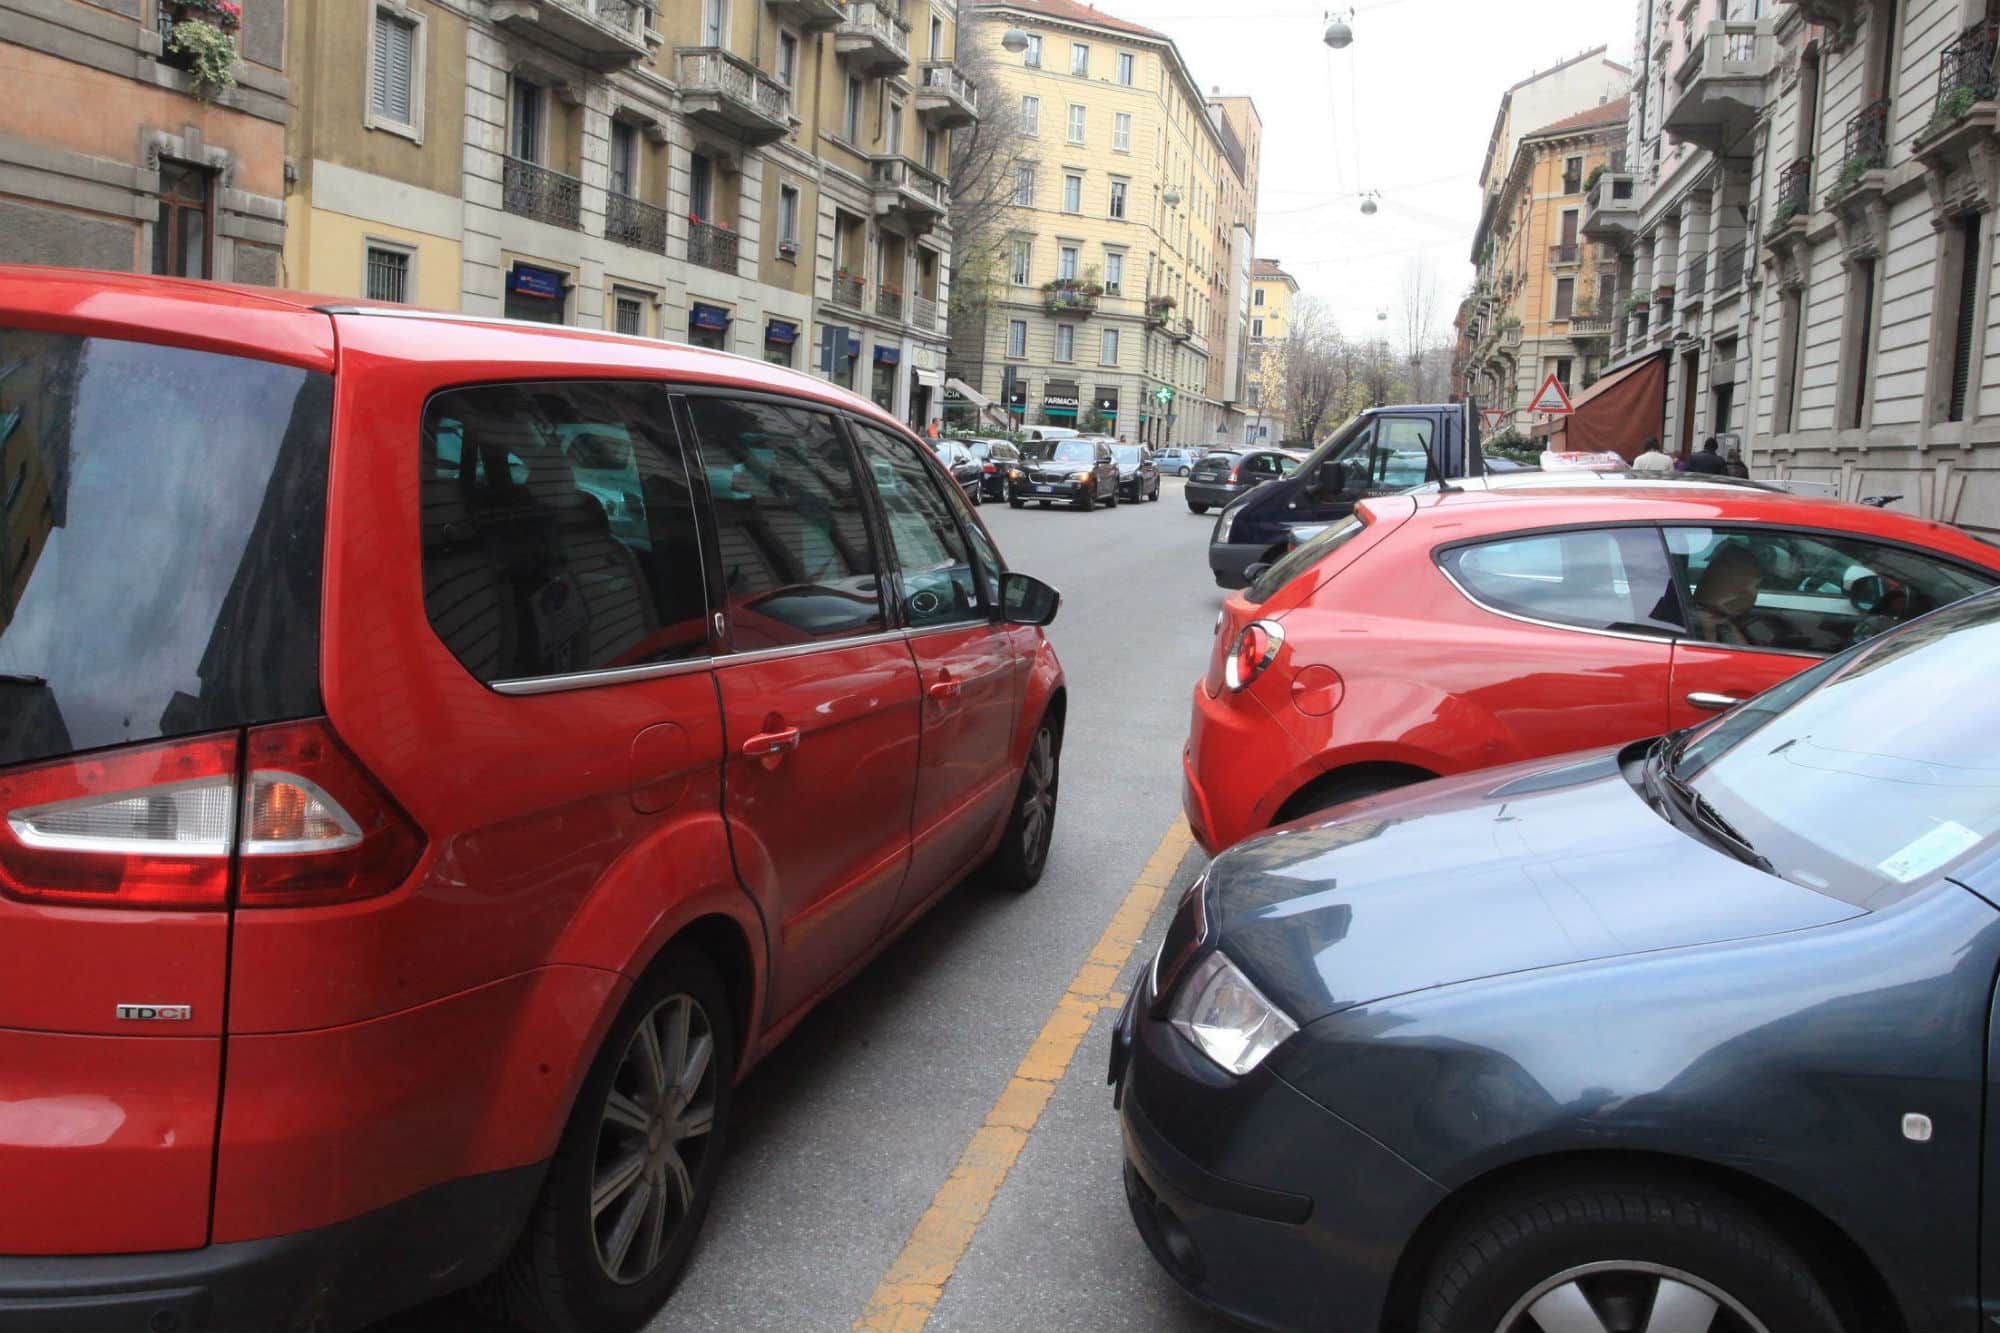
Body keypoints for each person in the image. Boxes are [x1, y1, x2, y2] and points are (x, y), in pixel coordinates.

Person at [1689, 544, 1762, 646]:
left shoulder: (1718, 618)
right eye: (1756, 586)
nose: (1756, 593)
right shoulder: (1707, 624)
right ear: (1739, 589)